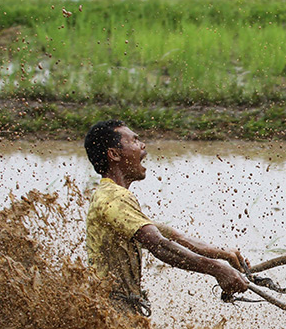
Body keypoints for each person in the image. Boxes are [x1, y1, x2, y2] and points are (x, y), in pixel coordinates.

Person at [84, 119, 249, 316]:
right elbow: (159, 245)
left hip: (116, 307)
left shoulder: (111, 195)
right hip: (112, 311)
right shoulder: (114, 198)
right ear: (114, 154)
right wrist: (218, 270)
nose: (143, 145)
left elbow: (175, 237)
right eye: (134, 141)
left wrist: (224, 254)